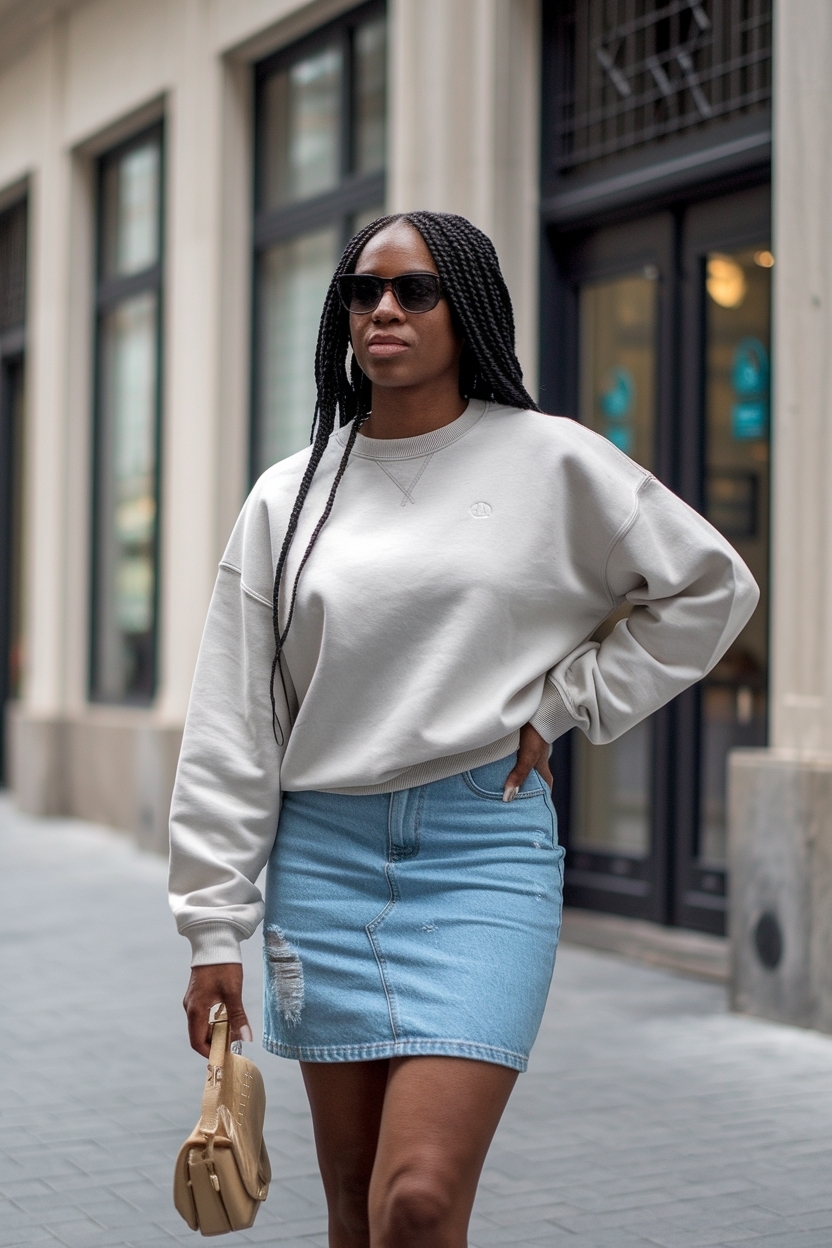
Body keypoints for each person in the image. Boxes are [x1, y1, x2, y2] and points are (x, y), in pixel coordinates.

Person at [169, 210, 758, 1248]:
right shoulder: (289, 496)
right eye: (363, 291)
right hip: (324, 862)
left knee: (420, 1199)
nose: (383, 309)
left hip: (482, 854)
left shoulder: (550, 463)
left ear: (469, 309)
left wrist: (568, 701)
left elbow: (710, 588)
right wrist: (213, 926)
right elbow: (234, 723)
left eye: (414, 290)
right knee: (355, 1213)